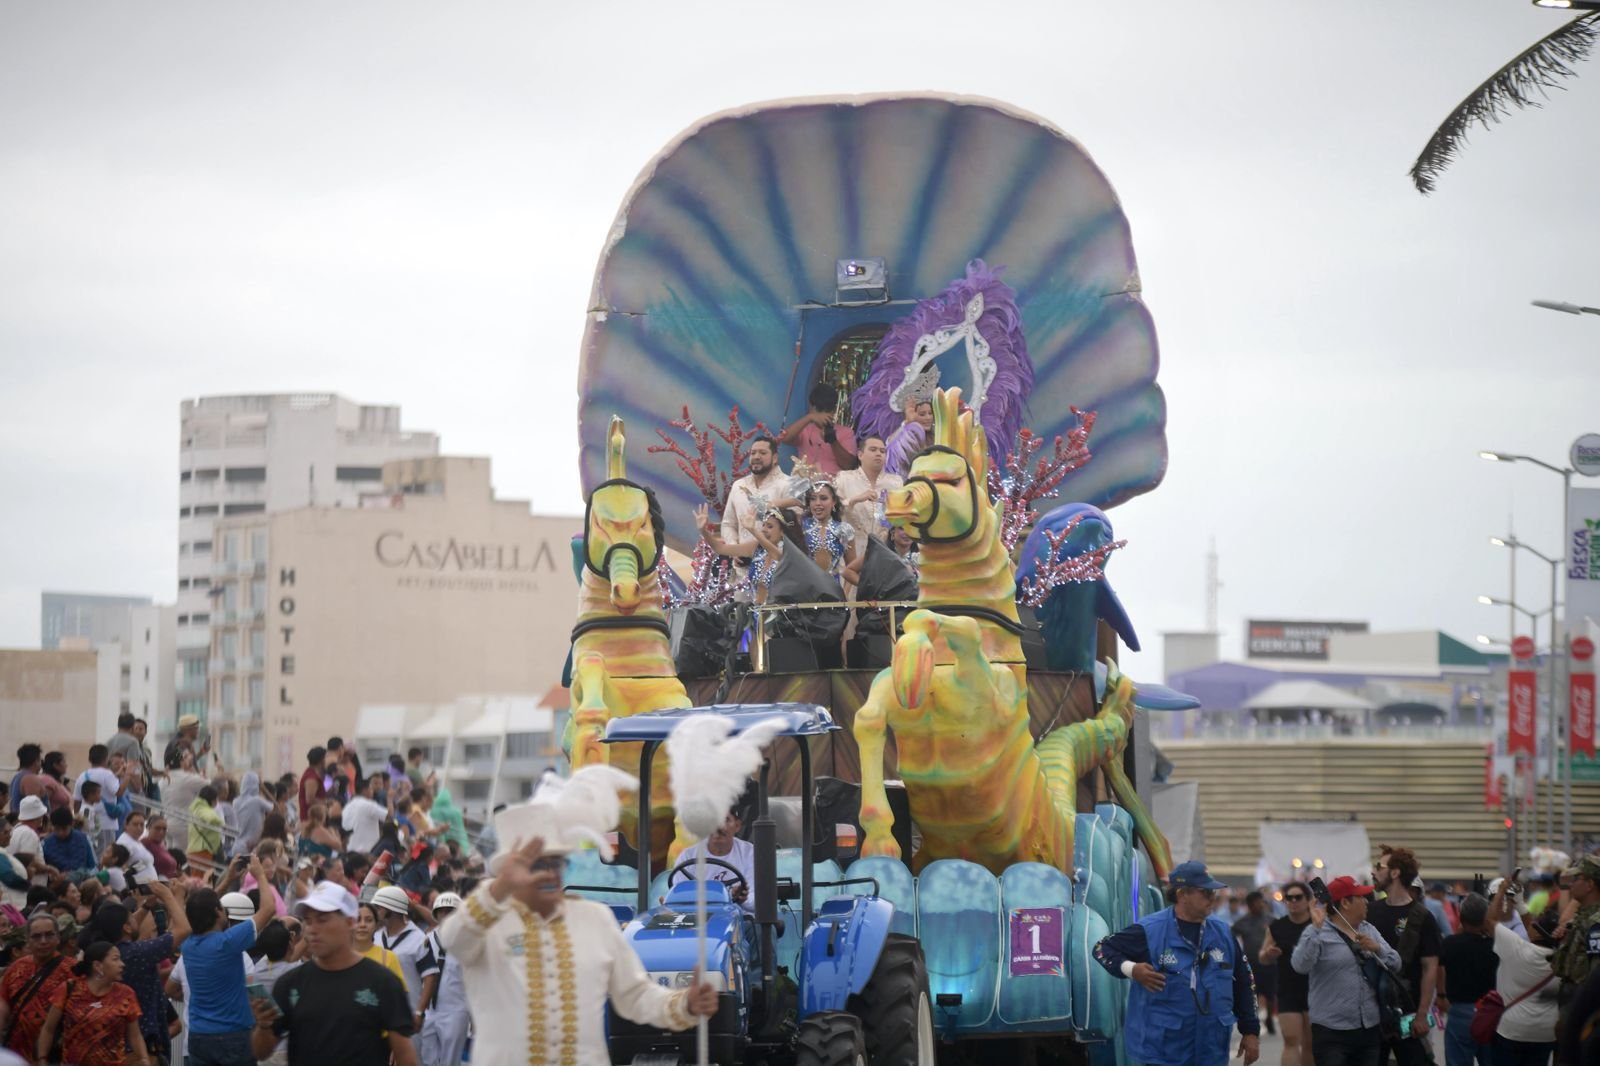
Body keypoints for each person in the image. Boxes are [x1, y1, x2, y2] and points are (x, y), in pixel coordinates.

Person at [437, 817, 718, 1064]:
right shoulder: (487, 921)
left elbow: (635, 994)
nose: (549, 873)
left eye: (556, 862)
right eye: (537, 865)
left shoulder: (596, 918)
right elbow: (452, 939)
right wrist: (497, 889)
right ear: (511, 872)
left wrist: (684, 1004)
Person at [1093, 860, 1261, 1065]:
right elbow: (1101, 948)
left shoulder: (1223, 932)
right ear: (1182, 894)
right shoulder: (1150, 930)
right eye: (1205, 892)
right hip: (1164, 1050)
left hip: (1211, 1048)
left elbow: (1244, 980)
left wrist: (1250, 1031)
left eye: (1213, 892)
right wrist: (1132, 969)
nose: (1212, 897)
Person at [250, 880, 418, 1066]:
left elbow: (405, 1056)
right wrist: (264, 1026)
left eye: (322, 920)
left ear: (349, 922)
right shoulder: (290, 984)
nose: (312, 929)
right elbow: (261, 1052)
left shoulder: (382, 982)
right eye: (308, 921)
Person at [1290, 875, 1403, 1066]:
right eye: (1361, 897)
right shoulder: (1318, 932)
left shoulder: (1369, 930)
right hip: (1331, 1030)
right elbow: (1300, 965)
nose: (1366, 902)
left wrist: (1378, 949)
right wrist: (1315, 928)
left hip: (1368, 1028)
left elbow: (1396, 963)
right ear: (1345, 903)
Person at [179, 857, 277, 1065]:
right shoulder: (228, 942)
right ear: (217, 912)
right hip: (233, 1036)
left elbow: (199, 907)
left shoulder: (187, 945)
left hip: (198, 1036)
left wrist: (229, 879)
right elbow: (268, 909)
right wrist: (260, 875)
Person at [90, 879, 191, 1062]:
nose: (136, 917)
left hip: (113, 1047)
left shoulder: (105, 953)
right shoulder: (137, 953)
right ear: (126, 927)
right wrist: (169, 895)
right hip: (140, 1051)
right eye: (131, 916)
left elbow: (128, 929)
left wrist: (146, 906)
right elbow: (183, 929)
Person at [1367, 845, 1441, 1063]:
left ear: (1395, 873)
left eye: (1379, 866)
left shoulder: (1422, 917)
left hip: (1408, 1013)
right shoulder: (1370, 911)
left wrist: (1422, 1014)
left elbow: (1430, 969)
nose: (1373, 871)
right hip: (1373, 1014)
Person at [35, 941, 148, 1066]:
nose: (122, 964)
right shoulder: (69, 988)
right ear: (97, 966)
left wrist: (144, 1059)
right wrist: (42, 1059)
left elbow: (135, 1035)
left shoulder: (126, 994)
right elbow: (48, 1029)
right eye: (115, 959)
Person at [1487, 875, 1560, 1064]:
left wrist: (1502, 890)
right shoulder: (1563, 960)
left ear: (1536, 931)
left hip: (1513, 1029)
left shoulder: (1517, 949)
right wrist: (1520, 903)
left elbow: (1490, 920)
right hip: (1545, 1032)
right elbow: (1535, 931)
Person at [0, 913, 72, 1061]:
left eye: (49, 935)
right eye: (36, 936)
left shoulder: (72, 970)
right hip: (16, 1054)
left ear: (58, 938)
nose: (43, 941)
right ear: (28, 940)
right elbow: (3, 1005)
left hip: (55, 1056)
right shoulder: (16, 968)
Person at [1437, 892, 1498, 1066]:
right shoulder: (1494, 946)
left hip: (1459, 1011)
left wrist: (1441, 995)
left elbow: (1439, 967)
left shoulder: (1449, 944)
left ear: (1461, 917)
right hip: (1489, 1012)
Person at [371, 886, 440, 1036]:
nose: (376, 911)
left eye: (379, 907)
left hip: (407, 1013)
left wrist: (419, 1012)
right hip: (378, 1013)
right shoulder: (376, 936)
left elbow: (430, 976)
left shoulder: (418, 939)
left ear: (391, 909)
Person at [1261, 882, 1315, 1066]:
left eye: (1298, 897)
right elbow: (1262, 957)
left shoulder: (1317, 925)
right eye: (1289, 898)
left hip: (1314, 990)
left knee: (1310, 1043)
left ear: (1308, 900)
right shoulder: (1277, 927)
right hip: (1287, 990)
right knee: (1291, 1041)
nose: (1293, 901)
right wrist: (1268, 954)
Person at [719, 436, 797, 556]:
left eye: (763, 453)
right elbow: (728, 524)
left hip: (774, 561)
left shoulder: (787, 485)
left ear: (775, 458)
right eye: (753, 453)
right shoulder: (739, 485)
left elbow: (795, 528)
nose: (756, 457)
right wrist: (735, 550)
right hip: (741, 562)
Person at [417, 893, 470, 1066]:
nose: (446, 915)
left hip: (455, 1009)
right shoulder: (426, 940)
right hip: (429, 1010)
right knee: (427, 1058)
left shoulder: (468, 943)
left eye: (451, 911)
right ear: (436, 914)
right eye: (442, 911)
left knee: (450, 1060)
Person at [676, 810, 756, 912]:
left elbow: (759, 900)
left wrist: (742, 899)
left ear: (737, 826)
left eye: (726, 820)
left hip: (741, 919)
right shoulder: (688, 856)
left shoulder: (750, 854)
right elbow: (679, 897)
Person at [834, 433, 903, 545]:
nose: (878, 454)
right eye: (873, 450)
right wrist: (855, 500)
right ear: (860, 455)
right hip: (852, 548)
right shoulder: (844, 479)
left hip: (884, 550)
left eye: (882, 451)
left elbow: (902, 519)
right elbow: (833, 510)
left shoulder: (895, 483)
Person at [777, 381, 858, 475]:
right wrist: (809, 417)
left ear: (833, 410)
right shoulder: (804, 429)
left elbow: (848, 466)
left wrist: (833, 441)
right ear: (811, 407)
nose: (822, 415)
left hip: (834, 482)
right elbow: (784, 438)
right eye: (819, 410)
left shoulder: (846, 433)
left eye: (827, 410)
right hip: (805, 481)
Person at [1551, 854, 1600, 1006]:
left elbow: (1596, 976)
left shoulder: (1596, 924)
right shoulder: (1582, 918)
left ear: (1590, 884)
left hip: (1586, 1003)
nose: (1571, 884)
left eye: (1576, 879)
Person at [1236, 890, 1278, 1036]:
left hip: (1269, 963)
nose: (1259, 905)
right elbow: (1231, 936)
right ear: (1249, 905)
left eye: (1261, 902)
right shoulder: (1242, 922)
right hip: (1251, 964)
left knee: (1271, 994)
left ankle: (1270, 1018)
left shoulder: (1271, 920)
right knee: (1253, 993)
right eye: (1255, 903)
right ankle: (1254, 1022)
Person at [353, 901, 410, 993]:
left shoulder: (388, 957)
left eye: (369, 920)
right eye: (357, 920)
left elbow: (399, 994)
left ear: (376, 925)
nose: (363, 925)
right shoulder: (338, 957)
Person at [40, 807, 95, 882]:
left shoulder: (84, 839)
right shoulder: (45, 844)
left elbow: (93, 867)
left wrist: (78, 874)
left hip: (84, 881)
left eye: (64, 829)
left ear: (71, 825)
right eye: (57, 829)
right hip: (59, 884)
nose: (61, 832)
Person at [341, 775, 388, 856]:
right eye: (370, 788)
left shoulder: (347, 807)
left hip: (350, 851)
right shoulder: (369, 804)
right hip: (367, 853)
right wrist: (389, 798)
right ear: (365, 790)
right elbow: (388, 816)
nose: (372, 791)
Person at [188, 785, 226, 865]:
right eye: (216, 799)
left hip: (197, 849)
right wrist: (221, 823)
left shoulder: (196, 807)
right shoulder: (203, 809)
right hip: (203, 851)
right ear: (212, 800)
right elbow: (211, 817)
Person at [297, 748, 327, 824]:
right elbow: (310, 800)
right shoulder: (311, 777)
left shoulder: (315, 774)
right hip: (311, 820)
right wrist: (327, 803)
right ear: (322, 760)